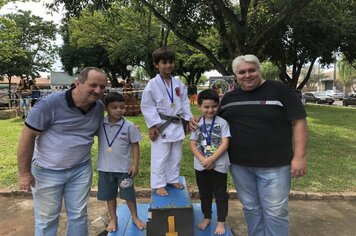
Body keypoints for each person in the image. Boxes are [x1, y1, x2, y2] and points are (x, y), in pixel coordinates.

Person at [219, 54, 308, 236]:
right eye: (242, 72)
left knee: (275, 212)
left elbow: (299, 122)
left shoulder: (280, 90)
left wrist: (299, 157)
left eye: (252, 70)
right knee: (251, 209)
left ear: (259, 70)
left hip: (275, 166)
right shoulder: (229, 98)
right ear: (236, 75)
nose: (247, 75)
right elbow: (216, 123)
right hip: (240, 166)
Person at [17, 67, 107, 236]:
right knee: (47, 219)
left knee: (79, 215)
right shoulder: (49, 104)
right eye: (93, 85)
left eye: (102, 87)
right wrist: (24, 173)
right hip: (46, 171)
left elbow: (98, 133)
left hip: (80, 169)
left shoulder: (98, 108)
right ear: (78, 83)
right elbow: (27, 137)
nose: (98, 90)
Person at [140, 47, 193, 196]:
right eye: (164, 62)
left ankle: (173, 178)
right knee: (160, 156)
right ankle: (158, 184)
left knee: (176, 155)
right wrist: (152, 126)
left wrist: (188, 119)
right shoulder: (152, 84)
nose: (168, 65)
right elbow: (147, 106)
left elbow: (185, 102)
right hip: (161, 125)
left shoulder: (178, 84)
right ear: (157, 64)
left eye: (171, 62)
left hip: (177, 124)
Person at [97, 92, 146, 232]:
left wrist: (135, 164)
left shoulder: (129, 126)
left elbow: (135, 145)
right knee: (109, 195)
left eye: (122, 107)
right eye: (114, 107)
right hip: (105, 168)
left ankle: (135, 217)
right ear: (106, 108)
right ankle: (113, 218)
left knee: (129, 195)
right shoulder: (100, 124)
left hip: (124, 170)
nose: (119, 110)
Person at [189, 89, 230, 235]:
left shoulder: (223, 122)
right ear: (199, 106)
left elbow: (225, 143)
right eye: (206, 107)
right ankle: (207, 217)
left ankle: (220, 221)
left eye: (214, 106)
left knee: (220, 194)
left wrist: (212, 159)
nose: (210, 110)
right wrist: (203, 160)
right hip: (201, 165)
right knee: (204, 193)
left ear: (218, 106)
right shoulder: (197, 123)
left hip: (219, 165)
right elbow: (193, 144)